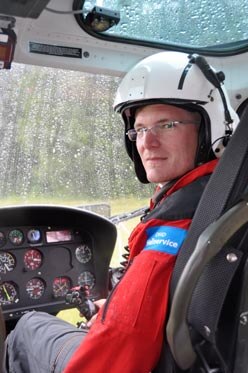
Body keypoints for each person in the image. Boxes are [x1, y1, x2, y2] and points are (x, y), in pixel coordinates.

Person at [4, 51, 239, 373]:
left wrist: (111, 322)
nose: (147, 143)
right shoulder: (223, 198)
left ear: (208, 130)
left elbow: (119, 346)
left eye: (167, 125)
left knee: (29, 325)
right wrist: (112, 309)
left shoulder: (176, 224)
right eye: (140, 130)